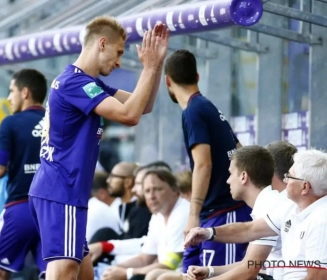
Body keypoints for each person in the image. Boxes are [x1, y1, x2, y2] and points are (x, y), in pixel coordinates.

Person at [28, 16, 170, 280]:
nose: (118, 62)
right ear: (101, 44)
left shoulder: (88, 84)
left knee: (84, 275)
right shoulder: (75, 83)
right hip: (62, 192)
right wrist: (148, 68)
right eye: (117, 53)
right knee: (65, 274)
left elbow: (143, 106)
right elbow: (129, 115)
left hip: (63, 192)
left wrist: (156, 64)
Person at [163, 49, 252, 279]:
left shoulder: (193, 111)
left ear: (167, 81)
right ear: (197, 77)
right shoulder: (207, 106)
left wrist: (192, 214)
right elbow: (242, 150)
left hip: (224, 211)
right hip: (218, 212)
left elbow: (203, 164)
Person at [184, 148, 327, 280]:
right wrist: (208, 233)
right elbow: (249, 230)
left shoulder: (321, 221)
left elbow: (317, 278)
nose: (285, 180)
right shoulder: (290, 207)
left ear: (305, 187)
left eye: (290, 176)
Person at [0, 69, 47, 280]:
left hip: (20, 208)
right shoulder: (58, 121)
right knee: (54, 273)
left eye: (11, 91)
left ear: (25, 92)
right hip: (52, 210)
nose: (8, 97)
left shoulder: (10, 123)